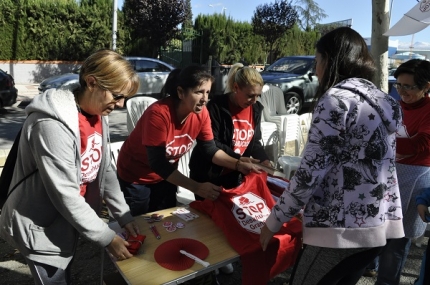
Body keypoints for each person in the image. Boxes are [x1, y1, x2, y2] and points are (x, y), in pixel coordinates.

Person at [259, 27, 404, 285]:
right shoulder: (385, 100)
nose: (315, 70)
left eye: (317, 61)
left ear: (329, 60)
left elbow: (310, 170)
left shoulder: (336, 100)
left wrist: (274, 220)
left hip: (341, 229)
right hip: (379, 223)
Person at [0, 49, 140, 284]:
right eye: (117, 96)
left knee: (65, 273)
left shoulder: (97, 114)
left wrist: (123, 215)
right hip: (40, 227)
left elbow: (104, 169)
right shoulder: (51, 124)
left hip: (67, 222)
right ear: (92, 82)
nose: (120, 104)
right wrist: (108, 237)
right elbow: (65, 193)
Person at [116, 64, 261, 217]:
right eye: (199, 92)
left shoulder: (201, 113)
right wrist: (197, 187)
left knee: (165, 220)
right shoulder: (158, 114)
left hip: (167, 176)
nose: (204, 99)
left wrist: (238, 164)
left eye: (207, 92)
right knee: (141, 224)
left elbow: (210, 149)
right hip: (136, 177)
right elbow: (158, 162)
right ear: (180, 92)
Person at [374, 59, 430, 285]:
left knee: (398, 238)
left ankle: (387, 282)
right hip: (388, 172)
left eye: (409, 87)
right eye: (399, 85)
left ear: (426, 86)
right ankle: (371, 266)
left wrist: (382, 144)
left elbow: (423, 143)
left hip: (415, 175)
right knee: (376, 228)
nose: (402, 91)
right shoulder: (393, 105)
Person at [189, 63, 271, 196]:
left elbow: (254, 141)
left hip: (235, 174)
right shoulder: (216, 106)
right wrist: (240, 160)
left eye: (258, 95)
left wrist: (264, 160)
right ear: (236, 87)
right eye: (250, 95)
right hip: (209, 174)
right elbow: (212, 143)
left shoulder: (256, 109)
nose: (254, 101)